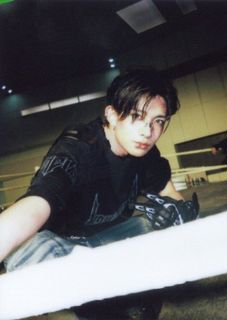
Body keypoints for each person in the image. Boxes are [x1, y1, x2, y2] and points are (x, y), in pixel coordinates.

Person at [0, 68, 199, 319]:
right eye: (137, 116)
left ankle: (130, 295)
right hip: (62, 244)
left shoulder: (146, 152)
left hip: (106, 239)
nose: (148, 132)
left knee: (159, 228)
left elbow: (171, 195)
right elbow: (36, 205)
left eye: (158, 121)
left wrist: (178, 214)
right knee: (28, 249)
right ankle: (100, 300)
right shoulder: (77, 150)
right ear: (112, 115)